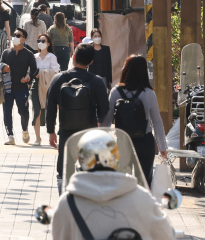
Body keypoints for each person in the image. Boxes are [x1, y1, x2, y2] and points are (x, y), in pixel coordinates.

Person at [51, 130, 175, 240]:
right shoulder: (141, 198)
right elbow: (166, 235)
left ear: (80, 160)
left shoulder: (66, 203)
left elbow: (58, 235)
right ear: (116, 159)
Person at [46, 43, 109, 193]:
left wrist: (51, 131)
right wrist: (99, 121)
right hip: (89, 134)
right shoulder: (97, 81)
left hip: (66, 132)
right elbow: (105, 108)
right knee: (88, 171)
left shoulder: (59, 78)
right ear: (91, 62)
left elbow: (49, 106)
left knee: (63, 172)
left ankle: (64, 202)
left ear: (73, 57)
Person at [100, 55, 168, 186]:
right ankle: (142, 205)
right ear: (144, 72)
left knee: (121, 180)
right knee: (144, 181)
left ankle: (124, 205)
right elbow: (157, 122)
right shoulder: (149, 93)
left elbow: (107, 120)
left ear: (126, 70)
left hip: (123, 142)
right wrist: (162, 147)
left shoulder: (116, 92)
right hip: (145, 141)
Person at [0, 27, 37, 145]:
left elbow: (34, 70)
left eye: (18, 35)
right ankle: (10, 136)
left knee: (24, 112)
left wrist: (28, 77)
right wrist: (3, 68)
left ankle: (25, 130)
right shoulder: (6, 53)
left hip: (22, 88)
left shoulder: (28, 54)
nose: (15, 36)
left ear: (23, 39)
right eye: (14, 34)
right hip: (8, 88)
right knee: (7, 111)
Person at [31, 34, 60, 146]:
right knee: (36, 111)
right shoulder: (34, 56)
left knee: (50, 111)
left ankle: (50, 136)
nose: (41, 42)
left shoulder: (52, 56)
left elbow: (56, 70)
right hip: (36, 86)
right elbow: (31, 70)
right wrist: (35, 74)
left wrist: (42, 73)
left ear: (48, 44)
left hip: (49, 86)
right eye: (39, 40)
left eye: (43, 41)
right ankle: (37, 138)